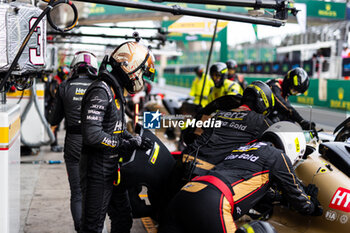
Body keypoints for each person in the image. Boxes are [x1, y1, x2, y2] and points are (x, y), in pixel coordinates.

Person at [159, 121, 323, 233]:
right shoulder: (278, 156)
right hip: (215, 201)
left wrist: (280, 198)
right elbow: (297, 195)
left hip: (185, 193)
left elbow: (249, 186)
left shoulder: (242, 149)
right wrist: (313, 206)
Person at [79, 41, 155, 233]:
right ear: (131, 66)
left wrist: (134, 140)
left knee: (123, 218)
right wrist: (124, 144)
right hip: (97, 170)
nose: (142, 78)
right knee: (93, 226)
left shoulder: (114, 90)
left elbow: (117, 129)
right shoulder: (101, 90)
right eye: (142, 72)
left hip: (113, 168)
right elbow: (92, 135)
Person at [47, 51, 99, 232]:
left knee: (77, 192)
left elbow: (54, 120)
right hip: (97, 143)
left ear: (74, 67)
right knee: (95, 191)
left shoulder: (65, 86)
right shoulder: (100, 85)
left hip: (73, 144)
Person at [46, 66, 70, 152]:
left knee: (56, 126)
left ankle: (54, 143)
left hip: (55, 105)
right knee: (54, 126)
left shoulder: (60, 81)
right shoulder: (55, 81)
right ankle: (53, 144)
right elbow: (53, 93)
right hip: (51, 106)